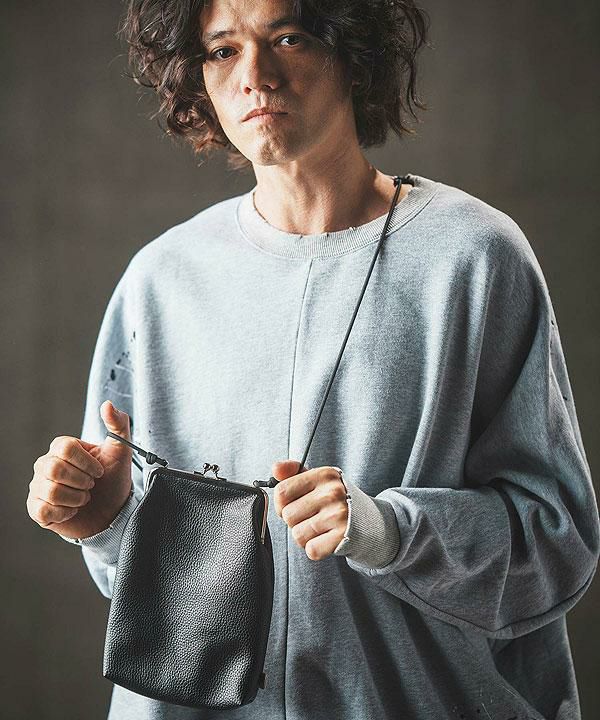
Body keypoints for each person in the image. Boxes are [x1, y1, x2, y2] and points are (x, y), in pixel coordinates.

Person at [26, 0, 599, 718]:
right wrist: (106, 519)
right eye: (222, 50)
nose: (256, 75)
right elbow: (142, 589)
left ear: (352, 54)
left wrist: (386, 531)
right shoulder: (161, 279)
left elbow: (554, 542)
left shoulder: (473, 258)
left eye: (288, 38)